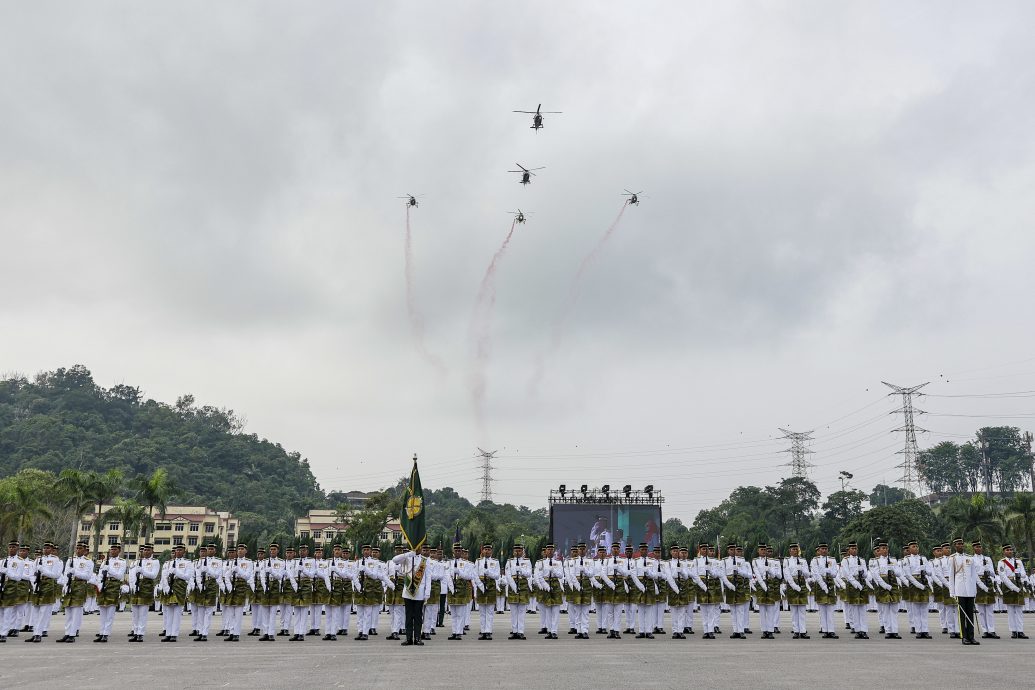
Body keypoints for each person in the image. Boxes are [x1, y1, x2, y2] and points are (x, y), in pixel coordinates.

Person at [390, 543, 440, 646]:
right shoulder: (407, 558)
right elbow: (394, 560)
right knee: (408, 616)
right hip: (408, 592)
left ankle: (417, 638)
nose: (417, 549)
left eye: (419, 547)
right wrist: (408, 554)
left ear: (421, 548)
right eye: (415, 547)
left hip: (420, 592)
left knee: (418, 616)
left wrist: (427, 594)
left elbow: (428, 578)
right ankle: (408, 638)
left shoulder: (425, 561)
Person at [948, 537, 987, 645]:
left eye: (962, 544)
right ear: (955, 546)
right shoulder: (952, 558)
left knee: (970, 613)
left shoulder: (970, 558)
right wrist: (952, 591)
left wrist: (978, 588)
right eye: (958, 544)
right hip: (959, 590)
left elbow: (974, 575)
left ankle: (971, 636)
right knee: (962, 615)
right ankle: (964, 637)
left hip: (970, 590)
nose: (961, 545)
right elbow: (951, 577)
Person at [57, 541, 96, 643]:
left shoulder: (88, 562)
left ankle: (73, 634)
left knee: (76, 611)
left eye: (80, 549)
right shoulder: (70, 560)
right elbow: (66, 574)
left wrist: (76, 572)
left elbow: (87, 576)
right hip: (70, 585)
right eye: (77, 548)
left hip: (80, 585)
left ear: (84, 550)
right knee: (68, 610)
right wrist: (65, 586)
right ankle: (67, 632)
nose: (78, 550)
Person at [26, 542, 62, 643]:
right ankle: (34, 633)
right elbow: (32, 574)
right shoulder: (38, 560)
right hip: (38, 585)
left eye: (48, 548)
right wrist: (34, 584)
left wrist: (44, 570)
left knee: (43, 611)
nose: (45, 550)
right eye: (44, 548)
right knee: (36, 610)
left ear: (51, 549)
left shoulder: (56, 560)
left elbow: (56, 575)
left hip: (48, 584)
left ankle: (39, 634)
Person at [160, 544, 196, 642]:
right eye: (177, 550)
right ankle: (168, 633)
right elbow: (164, 576)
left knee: (177, 613)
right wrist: (166, 587)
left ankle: (174, 634)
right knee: (169, 612)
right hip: (169, 587)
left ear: (184, 551)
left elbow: (188, 576)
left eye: (180, 550)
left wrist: (177, 572)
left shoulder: (188, 563)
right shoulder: (168, 563)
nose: (178, 552)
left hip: (180, 587)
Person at [94, 543, 128, 643]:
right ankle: (101, 632)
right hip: (104, 585)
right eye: (111, 549)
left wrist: (110, 570)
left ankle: (106, 634)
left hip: (113, 585)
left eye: (114, 549)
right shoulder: (105, 562)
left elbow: (119, 576)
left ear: (119, 551)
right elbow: (100, 575)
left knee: (110, 612)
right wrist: (99, 584)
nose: (112, 551)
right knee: (102, 611)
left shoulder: (122, 562)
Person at [868, 541, 902, 639]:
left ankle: (894, 631)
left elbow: (899, 573)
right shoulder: (876, 561)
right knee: (886, 610)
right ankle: (888, 630)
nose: (884, 550)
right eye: (882, 548)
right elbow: (875, 575)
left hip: (894, 585)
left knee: (894, 610)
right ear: (879, 550)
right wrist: (885, 585)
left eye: (886, 548)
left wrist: (893, 568)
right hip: (883, 586)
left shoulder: (893, 560)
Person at [127, 543, 160, 642]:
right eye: (144, 550)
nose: (146, 552)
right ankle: (135, 632)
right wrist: (131, 586)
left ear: (152, 551)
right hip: (135, 588)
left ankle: (140, 633)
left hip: (146, 587)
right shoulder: (135, 562)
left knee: (143, 612)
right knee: (135, 613)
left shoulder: (155, 562)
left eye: (148, 550)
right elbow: (131, 576)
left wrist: (143, 571)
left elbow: (153, 575)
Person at [839, 542, 871, 639]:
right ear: (849, 550)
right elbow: (847, 574)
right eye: (852, 548)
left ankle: (864, 630)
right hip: (852, 585)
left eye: (855, 548)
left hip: (862, 582)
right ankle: (857, 630)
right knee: (854, 608)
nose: (854, 550)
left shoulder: (861, 560)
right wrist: (855, 583)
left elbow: (866, 574)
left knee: (862, 608)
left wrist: (863, 571)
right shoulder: (845, 560)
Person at [192, 543, 222, 642]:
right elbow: (197, 573)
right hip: (202, 584)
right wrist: (200, 585)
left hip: (211, 585)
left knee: (208, 611)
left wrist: (209, 570)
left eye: (212, 549)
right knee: (200, 610)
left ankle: (205, 633)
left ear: (215, 551)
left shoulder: (218, 561)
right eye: (209, 549)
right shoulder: (200, 561)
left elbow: (217, 575)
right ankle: (200, 632)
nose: (210, 550)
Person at [445, 543, 476, 640]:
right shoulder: (448, 563)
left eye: (459, 551)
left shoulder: (466, 563)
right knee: (453, 613)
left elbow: (470, 576)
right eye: (456, 550)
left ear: (462, 552)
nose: (457, 552)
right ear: (453, 552)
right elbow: (446, 575)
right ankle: (454, 632)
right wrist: (451, 587)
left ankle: (459, 632)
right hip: (452, 589)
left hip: (462, 589)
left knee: (460, 613)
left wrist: (460, 572)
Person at [998, 544, 1029, 639]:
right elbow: (1002, 576)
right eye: (1007, 550)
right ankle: (1013, 631)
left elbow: (1024, 573)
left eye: (1011, 550)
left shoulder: (1018, 561)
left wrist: (1018, 573)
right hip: (1008, 585)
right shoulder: (1001, 562)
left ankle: (1020, 630)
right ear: (1004, 551)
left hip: (1018, 582)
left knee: (1019, 610)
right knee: (1011, 610)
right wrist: (1013, 587)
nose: (1010, 551)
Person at [810, 543, 840, 638]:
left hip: (830, 583)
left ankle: (831, 630)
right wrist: (823, 586)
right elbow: (816, 573)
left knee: (830, 609)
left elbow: (835, 573)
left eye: (826, 548)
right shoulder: (815, 560)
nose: (824, 550)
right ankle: (825, 630)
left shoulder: (832, 560)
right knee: (822, 609)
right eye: (822, 548)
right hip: (820, 584)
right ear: (819, 549)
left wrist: (829, 571)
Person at [783, 543, 811, 639]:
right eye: (793, 549)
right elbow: (786, 575)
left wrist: (802, 569)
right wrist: (794, 586)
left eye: (796, 549)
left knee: (802, 610)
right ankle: (796, 631)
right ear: (790, 551)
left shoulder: (803, 560)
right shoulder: (786, 561)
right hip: (792, 585)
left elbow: (808, 574)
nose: (795, 551)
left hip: (802, 584)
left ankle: (803, 631)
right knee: (794, 610)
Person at [504, 544, 533, 639]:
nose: (517, 552)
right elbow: (507, 575)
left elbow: (529, 574)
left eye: (519, 551)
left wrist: (521, 570)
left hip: (523, 585)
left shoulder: (527, 561)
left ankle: (520, 631)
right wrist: (513, 586)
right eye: (516, 551)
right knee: (513, 611)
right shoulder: (509, 562)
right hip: (513, 586)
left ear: (522, 552)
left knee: (521, 611)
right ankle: (514, 631)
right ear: (513, 552)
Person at [972, 541, 1000, 639]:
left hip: (988, 582)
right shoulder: (971, 559)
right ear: (973, 548)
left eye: (980, 546)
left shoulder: (987, 559)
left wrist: (988, 570)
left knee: (989, 609)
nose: (979, 548)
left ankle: (991, 630)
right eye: (976, 547)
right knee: (981, 610)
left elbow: (993, 573)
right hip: (977, 582)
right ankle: (985, 630)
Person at [752, 543, 779, 639]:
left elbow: (775, 575)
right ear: (758, 551)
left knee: (771, 609)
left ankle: (770, 630)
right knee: (762, 610)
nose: (763, 551)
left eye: (765, 550)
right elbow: (757, 574)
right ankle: (764, 630)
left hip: (770, 585)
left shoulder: (771, 561)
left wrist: (770, 570)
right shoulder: (755, 561)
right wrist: (764, 586)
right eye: (761, 549)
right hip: (761, 585)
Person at [474, 543, 500, 640]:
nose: (487, 551)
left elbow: (497, 575)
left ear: (491, 551)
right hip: (481, 585)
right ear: (482, 551)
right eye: (485, 549)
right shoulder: (478, 561)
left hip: (491, 585)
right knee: (482, 611)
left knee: (489, 611)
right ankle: (483, 631)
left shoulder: (495, 561)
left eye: (489, 549)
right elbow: (475, 574)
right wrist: (480, 586)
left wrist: (489, 572)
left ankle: (488, 631)